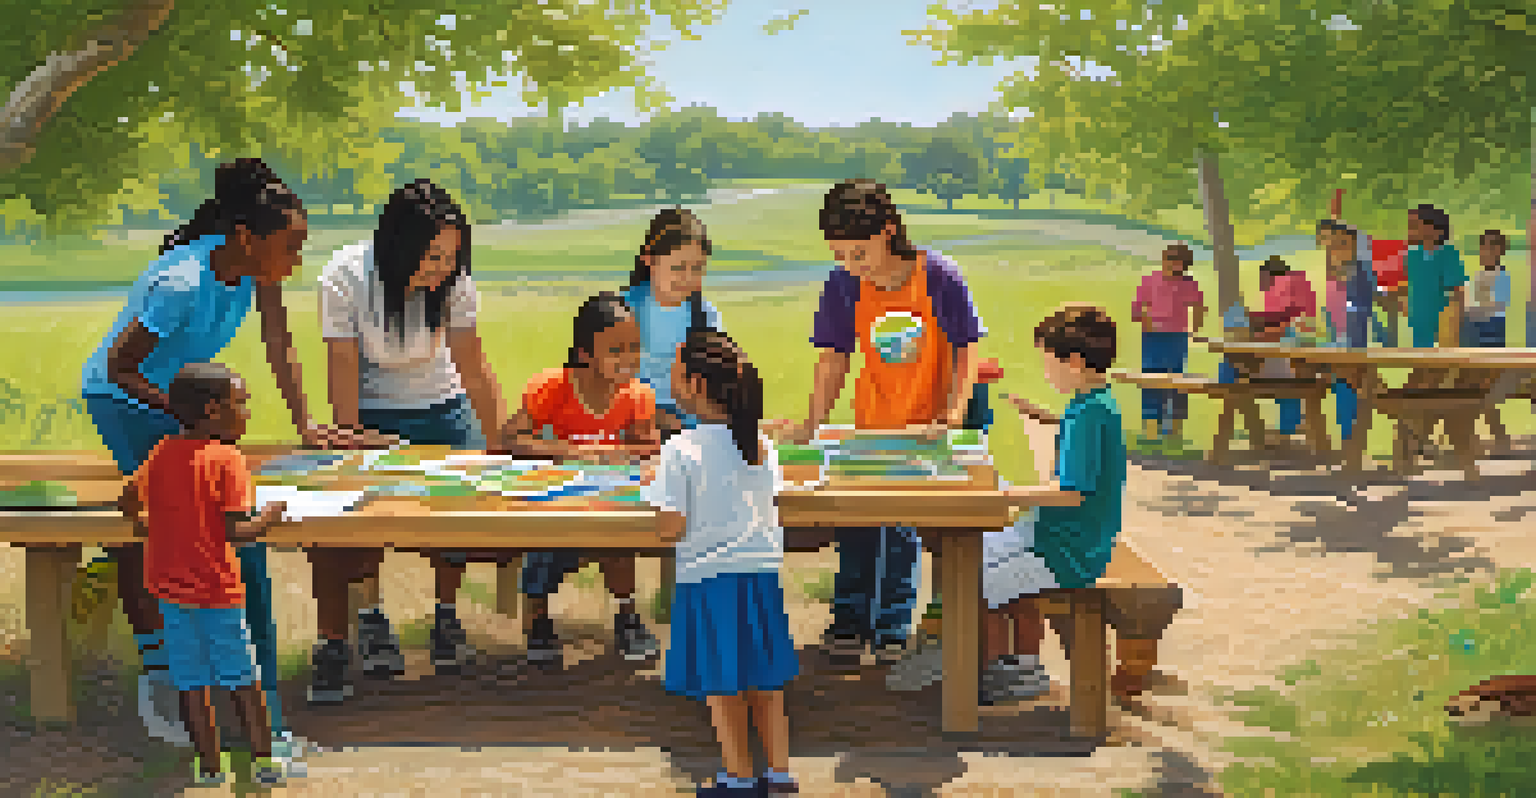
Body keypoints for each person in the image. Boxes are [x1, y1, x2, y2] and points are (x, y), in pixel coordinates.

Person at [79, 158, 336, 759]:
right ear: (246, 237)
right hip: (129, 399)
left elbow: (279, 342)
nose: (297, 261)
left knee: (223, 532)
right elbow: (121, 366)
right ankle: (164, 674)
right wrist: (189, 425)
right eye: (291, 247)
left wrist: (307, 425)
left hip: (184, 408)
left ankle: (251, 704)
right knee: (176, 527)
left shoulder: (255, 267)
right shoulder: (183, 282)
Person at [309, 179, 514, 703]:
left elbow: (472, 361)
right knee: (369, 522)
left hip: (445, 408)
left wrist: (502, 444)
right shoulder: (344, 276)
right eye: (433, 255)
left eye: (452, 255)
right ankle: (372, 619)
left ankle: (446, 618)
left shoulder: (457, 283)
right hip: (375, 409)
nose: (444, 267)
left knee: (456, 518)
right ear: (398, 245)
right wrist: (352, 438)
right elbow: (342, 362)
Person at [773, 179, 986, 667]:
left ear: (889, 230)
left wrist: (953, 414)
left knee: (900, 531)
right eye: (841, 254)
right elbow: (833, 360)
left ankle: (892, 626)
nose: (851, 264)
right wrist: (811, 423)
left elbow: (965, 349)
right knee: (858, 522)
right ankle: (849, 621)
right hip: (871, 424)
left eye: (859, 252)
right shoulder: (843, 285)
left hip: (927, 429)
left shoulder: (939, 277)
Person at [897, 305, 1127, 705]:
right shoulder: (1092, 404)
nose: (1045, 371)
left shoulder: (1089, 415)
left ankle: (997, 670)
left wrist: (1005, 495)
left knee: (972, 583)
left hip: (1068, 550)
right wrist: (1050, 422)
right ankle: (1012, 661)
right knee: (973, 558)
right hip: (1061, 535)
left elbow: (1072, 493)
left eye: (1047, 362)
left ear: (1073, 362)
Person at [118, 363, 293, 785]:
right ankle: (264, 760)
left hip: (170, 593)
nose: (247, 412)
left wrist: (148, 524)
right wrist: (270, 516)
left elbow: (127, 500)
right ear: (214, 410)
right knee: (243, 680)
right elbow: (237, 531)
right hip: (217, 592)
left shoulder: (161, 452)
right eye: (241, 403)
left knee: (191, 682)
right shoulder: (228, 460)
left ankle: (210, 767)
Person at [648, 330, 799, 796]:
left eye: (674, 371)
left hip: (708, 581)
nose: (667, 380)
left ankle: (737, 776)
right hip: (759, 578)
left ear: (694, 384)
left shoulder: (679, 451)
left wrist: (651, 486)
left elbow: (669, 528)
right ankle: (778, 772)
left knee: (722, 686)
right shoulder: (760, 444)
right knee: (764, 683)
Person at [504, 291, 662, 667]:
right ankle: (538, 620)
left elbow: (647, 447)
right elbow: (509, 439)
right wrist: (573, 451)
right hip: (557, 497)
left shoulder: (638, 395)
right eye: (616, 350)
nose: (629, 359)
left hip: (608, 497)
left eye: (634, 347)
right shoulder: (552, 387)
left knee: (619, 539)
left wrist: (634, 450)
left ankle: (627, 616)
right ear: (585, 353)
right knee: (544, 545)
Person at [620, 208, 727, 442]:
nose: (688, 278)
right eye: (678, 268)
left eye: (697, 268)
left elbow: (718, 386)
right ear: (649, 260)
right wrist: (653, 415)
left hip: (692, 429)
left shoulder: (706, 316)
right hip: (629, 428)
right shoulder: (622, 310)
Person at [1130, 243, 1205, 445]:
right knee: (1152, 378)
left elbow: (1198, 307)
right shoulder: (1150, 280)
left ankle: (1174, 431)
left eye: (1179, 263)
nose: (1174, 266)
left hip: (1176, 337)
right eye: (1170, 260)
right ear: (1164, 260)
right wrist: (1148, 324)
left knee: (1177, 380)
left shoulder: (1189, 284)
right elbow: (1137, 309)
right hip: (1153, 337)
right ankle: (1152, 430)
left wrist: (1194, 330)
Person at [1318, 219, 1376, 442]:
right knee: (1341, 388)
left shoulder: (1359, 273)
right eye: (1331, 245)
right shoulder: (1340, 275)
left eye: (1341, 244)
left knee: (1351, 388)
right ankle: (1347, 441)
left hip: (1352, 344)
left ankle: (1350, 442)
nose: (1333, 249)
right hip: (1339, 342)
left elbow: (1358, 309)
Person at [1258, 255, 1317, 436]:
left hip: (1291, 358)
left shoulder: (1286, 298)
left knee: (1287, 377)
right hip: (1291, 357)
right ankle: (1292, 425)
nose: (1261, 284)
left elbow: (1283, 330)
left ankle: (1290, 427)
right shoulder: (1284, 297)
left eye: (1264, 278)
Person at [1402, 204, 1468, 351]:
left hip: (1443, 321)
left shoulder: (1448, 254)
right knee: (1420, 360)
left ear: (1433, 229)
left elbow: (1457, 290)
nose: (1409, 230)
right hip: (1418, 320)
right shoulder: (1412, 256)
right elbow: (1411, 285)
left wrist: (1457, 322)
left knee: (1442, 363)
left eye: (1414, 225)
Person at [1464, 229, 1511, 348]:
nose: (1482, 252)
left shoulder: (1502, 276)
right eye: (1482, 247)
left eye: (1487, 248)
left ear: (1499, 251)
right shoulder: (1479, 276)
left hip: (1493, 330)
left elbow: (1498, 307)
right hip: (1480, 328)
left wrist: (1470, 311)